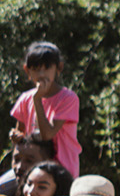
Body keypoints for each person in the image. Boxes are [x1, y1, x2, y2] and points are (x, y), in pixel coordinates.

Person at [11, 41, 83, 174]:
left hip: (62, 170)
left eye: (47, 68)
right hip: (33, 170)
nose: (41, 74)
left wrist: (37, 100)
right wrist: (15, 136)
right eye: (36, 69)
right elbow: (20, 135)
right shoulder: (25, 99)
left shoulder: (68, 98)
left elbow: (47, 135)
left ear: (58, 68)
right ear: (27, 70)